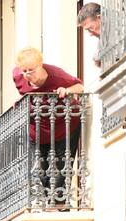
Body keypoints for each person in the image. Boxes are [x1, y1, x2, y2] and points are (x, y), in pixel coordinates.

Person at [13, 48, 84, 203]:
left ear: (41, 65)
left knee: (60, 166)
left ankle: (58, 205)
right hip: (38, 130)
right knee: (39, 168)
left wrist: (66, 90)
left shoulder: (56, 75)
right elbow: (25, 93)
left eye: (31, 70)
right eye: (24, 71)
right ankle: (47, 201)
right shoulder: (18, 76)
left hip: (64, 127)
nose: (27, 75)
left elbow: (79, 87)